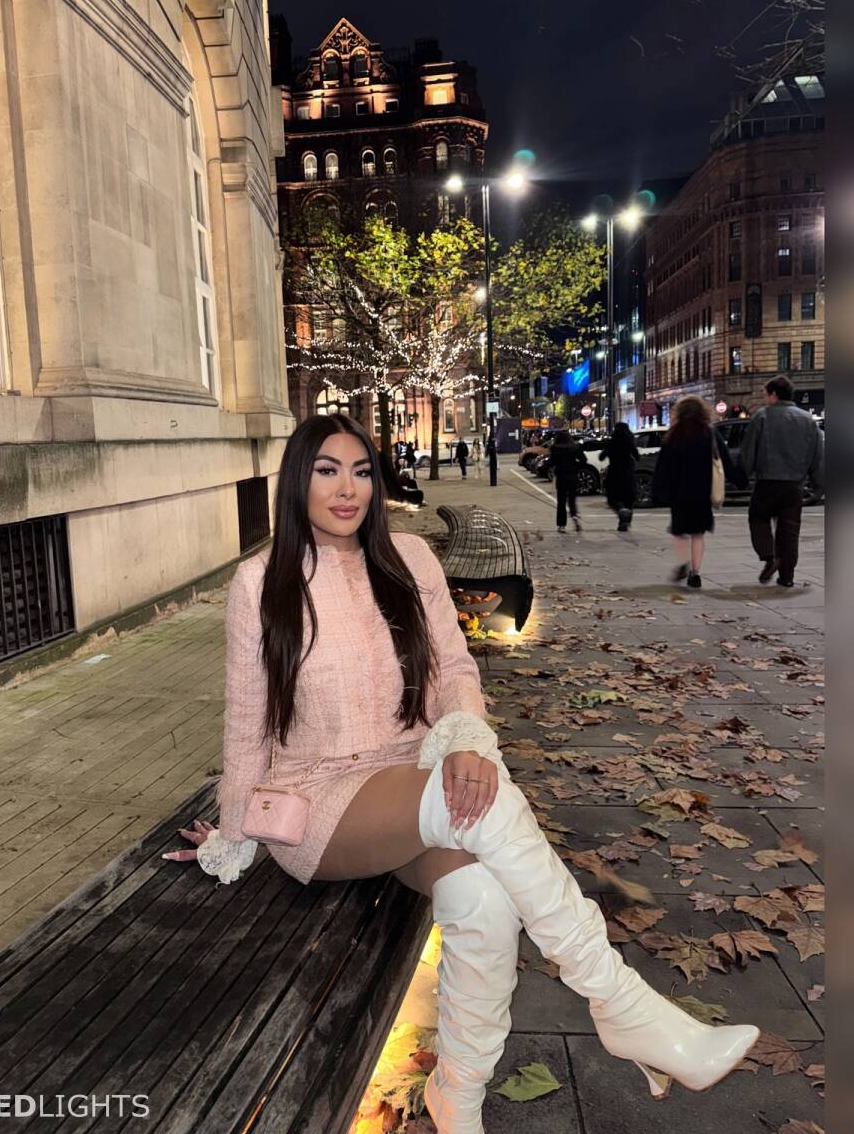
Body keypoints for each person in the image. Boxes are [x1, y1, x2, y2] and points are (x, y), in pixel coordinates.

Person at [163, 412, 759, 1134]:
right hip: (319, 800)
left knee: (481, 898)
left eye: (361, 471)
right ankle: (621, 1004)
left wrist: (468, 739)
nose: (348, 489)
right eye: (327, 471)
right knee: (470, 801)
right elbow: (246, 721)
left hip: (408, 778)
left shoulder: (409, 559)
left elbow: (452, 669)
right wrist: (233, 835)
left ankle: (458, 1096)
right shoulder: (260, 581)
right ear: (296, 481)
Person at [739, 375, 824, 587]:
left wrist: (743, 475)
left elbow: (749, 451)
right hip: (794, 485)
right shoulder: (808, 420)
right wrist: (819, 486)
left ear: (774, 394)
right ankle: (787, 577)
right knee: (790, 531)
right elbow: (817, 456)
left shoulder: (762, 416)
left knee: (758, 519)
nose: (765, 398)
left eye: (766, 394)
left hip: (766, 482)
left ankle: (769, 556)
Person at [652, 397, 745, 588]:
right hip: (702, 492)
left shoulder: (673, 435)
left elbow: (663, 467)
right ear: (703, 412)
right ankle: (695, 572)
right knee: (697, 533)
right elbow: (724, 461)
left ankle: (683, 561)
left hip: (679, 493)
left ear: (680, 412)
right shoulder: (710, 433)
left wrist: (658, 491)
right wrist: (739, 480)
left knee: (679, 531)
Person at [599, 422, 639, 531]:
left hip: (615, 472)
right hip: (628, 473)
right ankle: (625, 522)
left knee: (613, 497)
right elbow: (637, 456)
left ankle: (621, 510)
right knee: (628, 499)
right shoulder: (630, 442)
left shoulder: (612, 442)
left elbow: (601, 457)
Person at [546, 430, 586, 533]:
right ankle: (575, 516)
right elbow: (584, 460)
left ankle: (562, 525)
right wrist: (576, 467)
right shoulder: (575, 447)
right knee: (572, 500)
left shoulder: (555, 448)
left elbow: (551, 463)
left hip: (561, 477)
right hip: (573, 476)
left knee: (561, 502)